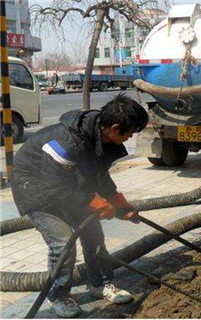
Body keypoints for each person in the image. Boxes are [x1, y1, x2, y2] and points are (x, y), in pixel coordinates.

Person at [11, 94, 148, 318]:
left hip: (65, 187)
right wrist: (93, 202)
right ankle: (58, 295)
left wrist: (119, 203)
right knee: (63, 242)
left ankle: (99, 284)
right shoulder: (69, 141)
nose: (132, 136)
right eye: (131, 132)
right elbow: (53, 186)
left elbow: (98, 176)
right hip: (34, 190)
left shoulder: (99, 137)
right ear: (114, 128)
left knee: (93, 233)